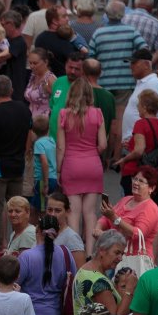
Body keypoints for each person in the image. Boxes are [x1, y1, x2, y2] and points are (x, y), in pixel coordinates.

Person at [0, 75, 33, 251]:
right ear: (11, 91)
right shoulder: (24, 110)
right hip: (17, 166)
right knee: (19, 209)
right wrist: (23, 153)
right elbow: (29, 135)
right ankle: (22, 246)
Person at [57, 78, 107, 256]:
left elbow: (61, 147)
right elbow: (103, 145)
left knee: (73, 213)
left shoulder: (64, 114)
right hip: (92, 164)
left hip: (72, 164)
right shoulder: (97, 113)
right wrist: (91, 152)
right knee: (90, 213)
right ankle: (89, 253)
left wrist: (58, 169)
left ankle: (73, 253)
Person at [96, 164, 158, 270]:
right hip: (114, 258)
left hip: (134, 263)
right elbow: (106, 218)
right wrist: (98, 228)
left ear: (152, 188)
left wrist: (115, 218)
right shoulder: (126, 199)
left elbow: (137, 234)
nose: (136, 183)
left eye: (141, 181)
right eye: (135, 179)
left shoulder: (150, 208)